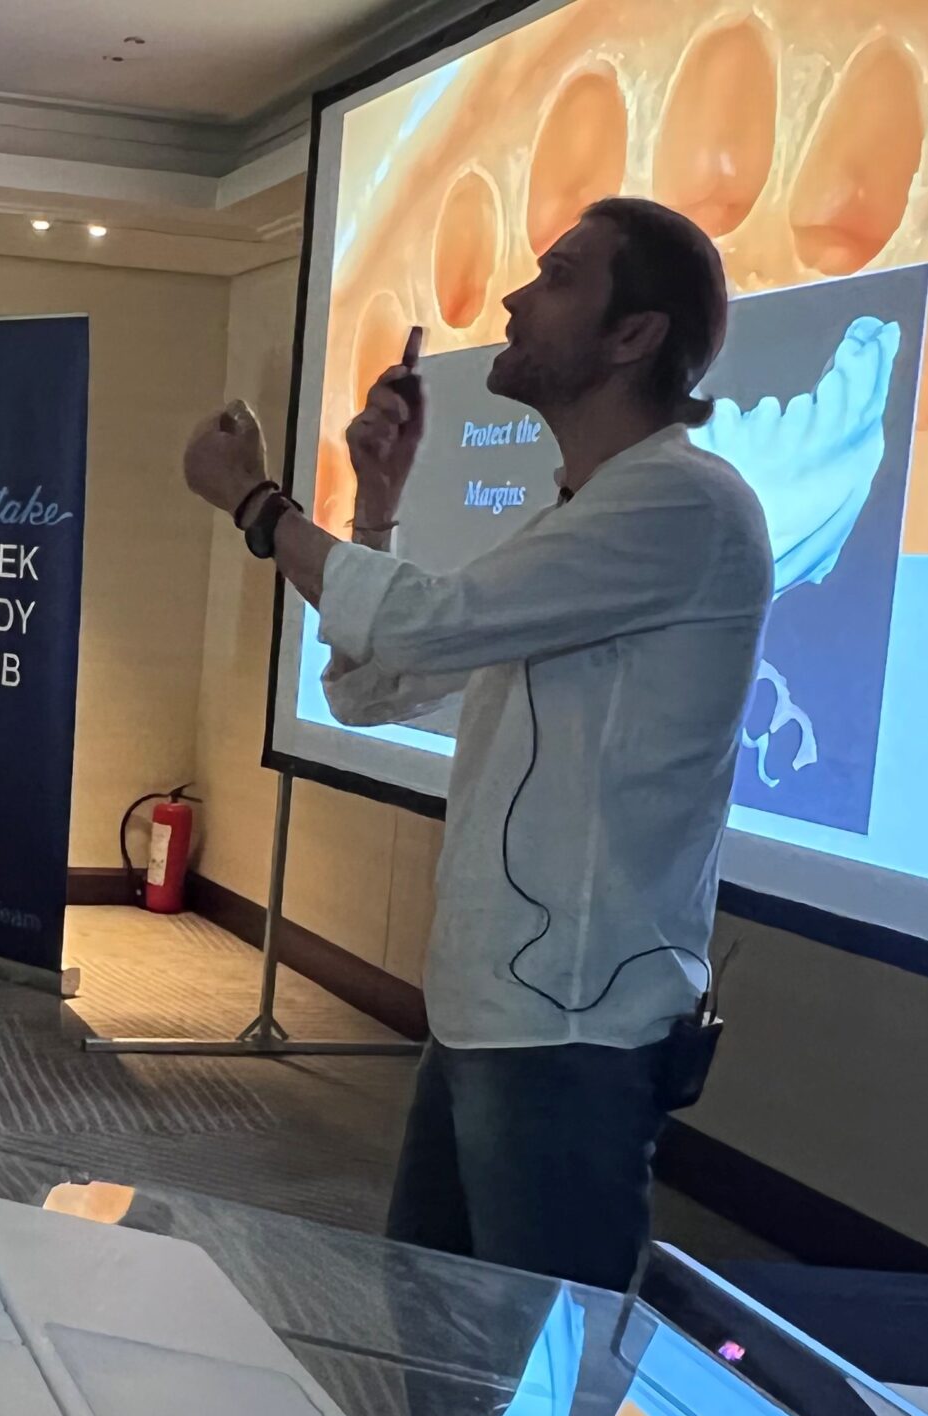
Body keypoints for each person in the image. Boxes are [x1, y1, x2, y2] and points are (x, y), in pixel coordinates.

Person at [182, 196, 771, 1289]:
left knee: (535, 1350)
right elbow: (375, 688)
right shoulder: (580, 518)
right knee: (437, 1326)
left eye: (557, 277)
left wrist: (260, 507)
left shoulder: (682, 505)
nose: (511, 298)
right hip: (492, 1008)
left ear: (634, 334)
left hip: (573, 1026)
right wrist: (376, 505)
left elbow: (417, 626)